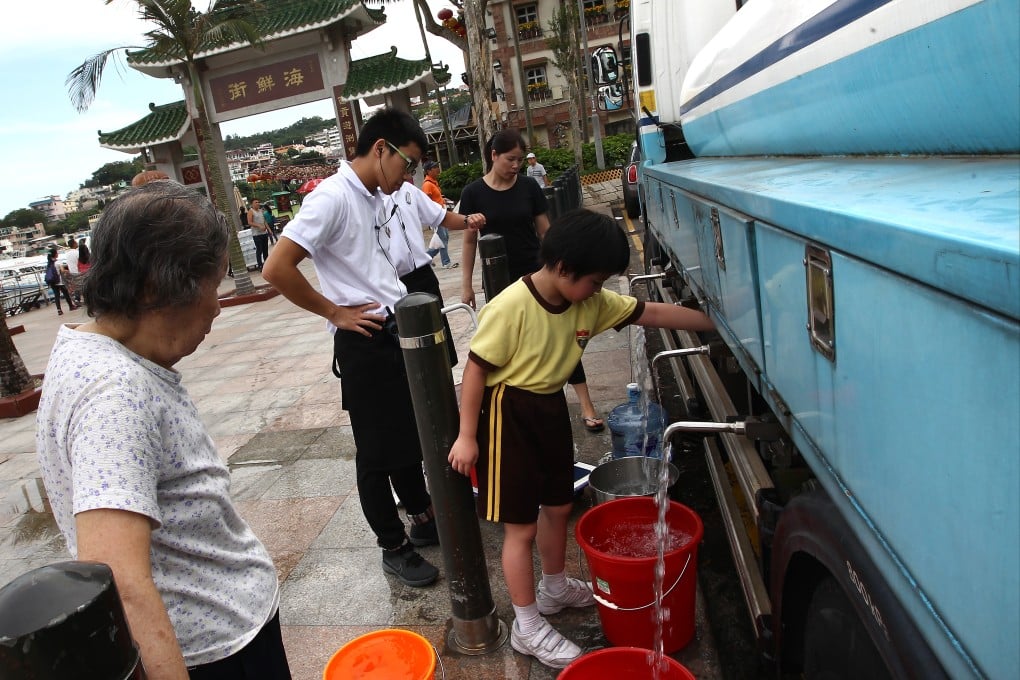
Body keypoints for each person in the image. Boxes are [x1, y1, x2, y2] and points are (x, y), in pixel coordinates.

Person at [36, 180, 291, 680]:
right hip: (213, 649)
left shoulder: (83, 350)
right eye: (211, 285)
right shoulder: (116, 394)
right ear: (156, 287)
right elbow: (119, 578)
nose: (216, 306)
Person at [448, 208, 715, 669]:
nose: (599, 291)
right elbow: (475, 371)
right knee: (521, 526)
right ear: (563, 267)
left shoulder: (588, 301)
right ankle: (526, 625)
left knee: (557, 506)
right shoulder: (511, 306)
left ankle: (553, 590)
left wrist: (715, 324)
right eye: (594, 281)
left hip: (550, 406)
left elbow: (648, 312)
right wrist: (467, 436)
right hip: (507, 415)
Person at [262, 108, 485, 588]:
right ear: (380, 148)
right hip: (364, 339)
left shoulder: (375, 195)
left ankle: (422, 519)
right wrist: (334, 312)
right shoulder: (332, 199)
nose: (409, 176)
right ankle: (392, 544)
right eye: (407, 163)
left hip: (395, 330)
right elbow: (277, 268)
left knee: (405, 433)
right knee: (375, 451)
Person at [459, 129, 606, 433]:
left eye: (519, 159)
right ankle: (513, 408)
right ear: (493, 155)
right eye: (510, 159)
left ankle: (586, 404)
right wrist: (466, 284)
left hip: (536, 273)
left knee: (562, 335)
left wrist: (565, 267)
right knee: (506, 345)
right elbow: (469, 242)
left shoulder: (528, 187)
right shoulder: (473, 193)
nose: (516, 165)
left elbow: (546, 232)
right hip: (498, 280)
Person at [421, 161, 456, 269]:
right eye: (434, 167)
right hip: (436, 216)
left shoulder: (433, 183)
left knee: (443, 238)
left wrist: (442, 199)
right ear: (428, 171)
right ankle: (445, 262)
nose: (437, 169)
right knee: (443, 238)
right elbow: (426, 201)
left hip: (441, 214)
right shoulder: (427, 184)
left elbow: (435, 198)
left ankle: (426, 259)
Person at [44, 249, 77, 316]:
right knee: (66, 294)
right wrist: (67, 271)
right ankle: (71, 306)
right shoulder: (58, 263)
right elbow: (63, 270)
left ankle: (59, 310)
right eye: (57, 252)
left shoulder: (49, 263)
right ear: (55, 254)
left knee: (56, 296)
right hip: (59, 282)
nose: (57, 253)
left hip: (53, 282)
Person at [248, 199, 270, 270]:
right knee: (259, 250)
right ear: (252, 204)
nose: (258, 203)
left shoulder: (261, 211)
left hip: (264, 233)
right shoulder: (251, 211)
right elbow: (250, 222)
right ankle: (260, 265)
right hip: (256, 234)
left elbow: (264, 221)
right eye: (256, 202)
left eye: (258, 202)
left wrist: (269, 229)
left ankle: (267, 264)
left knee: (265, 250)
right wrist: (259, 226)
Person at [65, 237, 82, 303]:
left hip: (72, 272)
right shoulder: (77, 253)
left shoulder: (67, 254)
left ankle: (77, 299)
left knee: (76, 286)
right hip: (78, 271)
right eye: (76, 242)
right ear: (74, 244)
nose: (77, 243)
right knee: (82, 285)